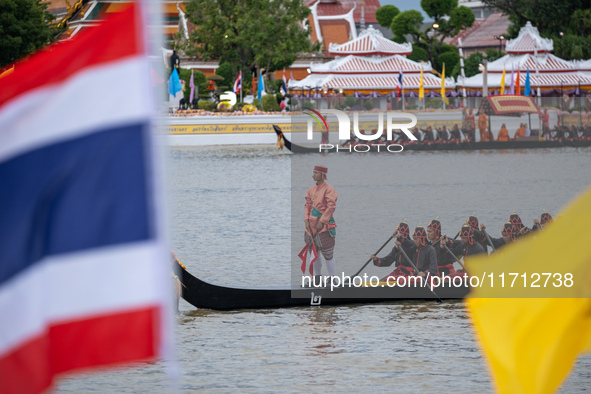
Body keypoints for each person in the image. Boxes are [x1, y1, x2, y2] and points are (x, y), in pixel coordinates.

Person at [305, 165, 338, 277]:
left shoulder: (329, 190)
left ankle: (331, 278)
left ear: (322, 175)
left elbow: (331, 207)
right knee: (314, 253)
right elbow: (307, 205)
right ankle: (317, 277)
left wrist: (322, 221)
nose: (313, 175)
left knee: (328, 254)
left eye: (316, 173)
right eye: (313, 172)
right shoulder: (311, 190)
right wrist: (306, 220)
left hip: (325, 226)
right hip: (310, 226)